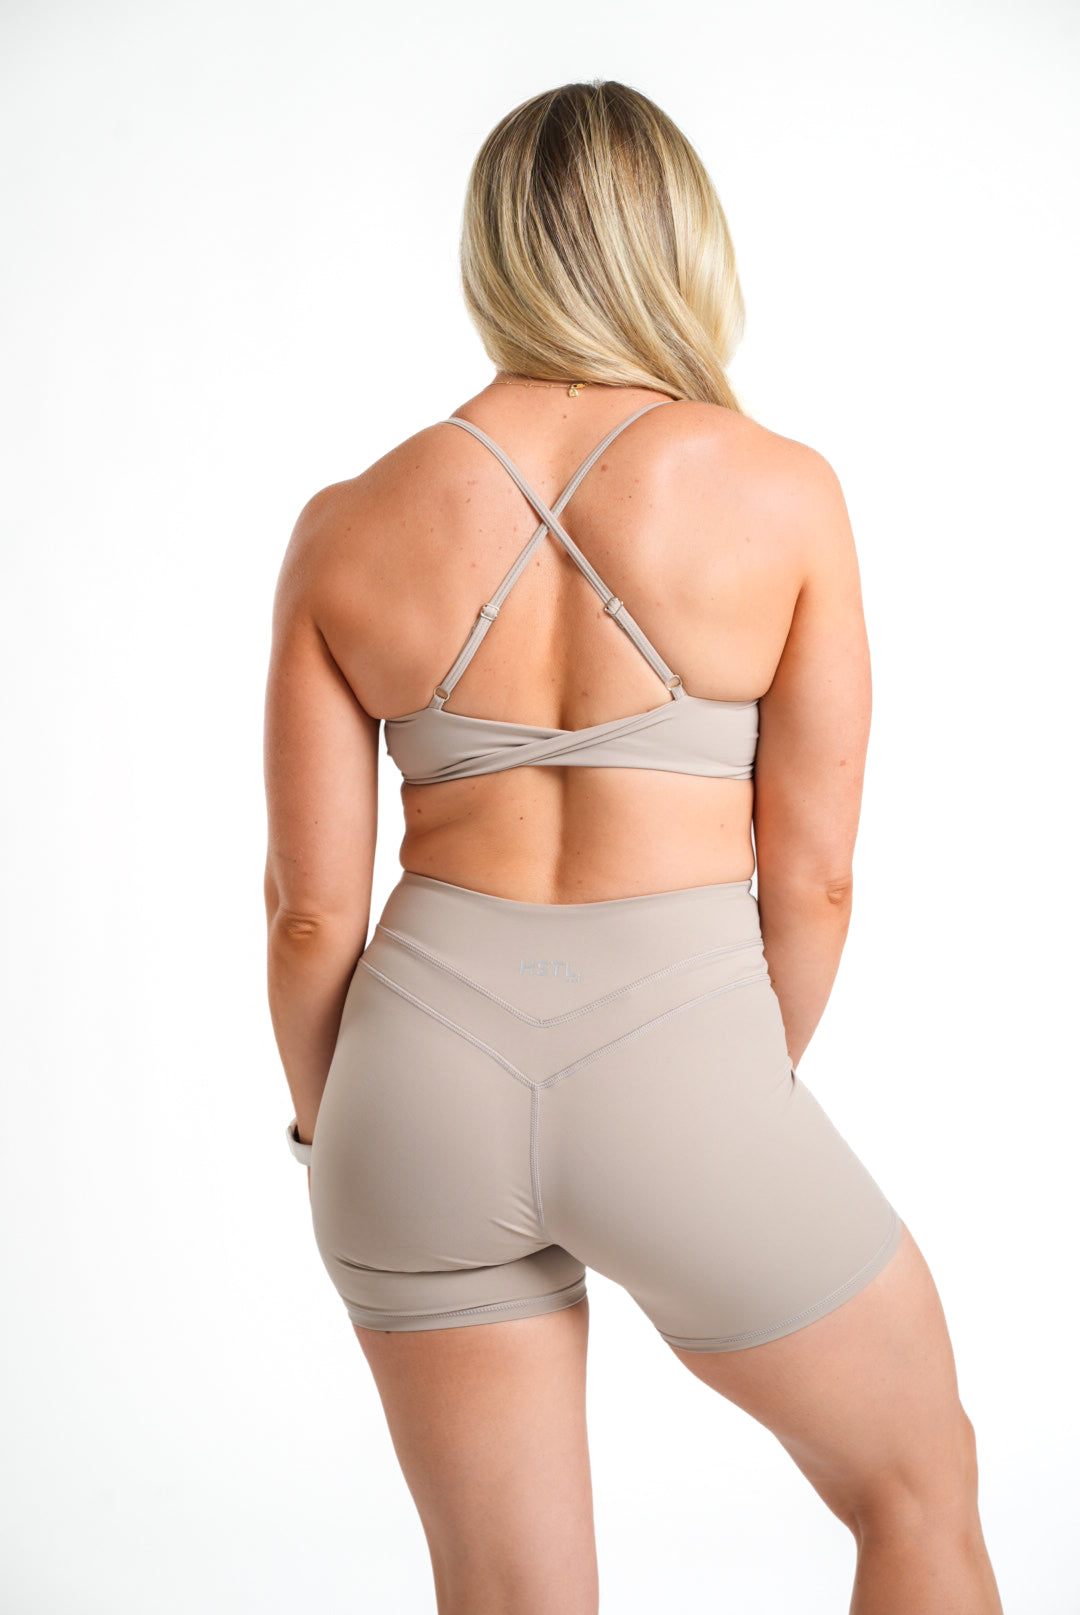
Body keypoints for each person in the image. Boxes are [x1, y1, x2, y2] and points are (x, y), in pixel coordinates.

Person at [263, 79, 1003, 1615]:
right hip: (682, 1061)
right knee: (916, 1491)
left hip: (412, 1083)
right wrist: (718, 1094)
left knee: (511, 1599)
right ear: (680, 243)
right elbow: (815, 879)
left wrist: (338, 1132)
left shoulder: (347, 522)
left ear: (493, 253)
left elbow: (309, 916)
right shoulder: (780, 490)